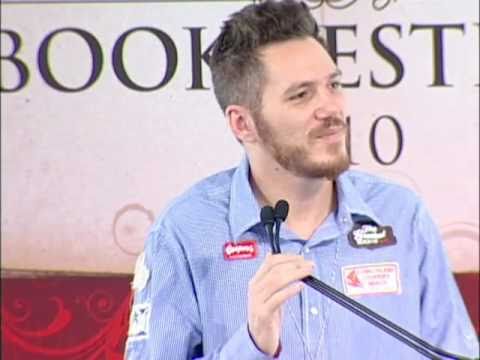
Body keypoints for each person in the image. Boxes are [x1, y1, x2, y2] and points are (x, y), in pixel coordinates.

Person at [124, 1, 479, 359]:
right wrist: (253, 345)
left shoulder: (402, 215)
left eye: (333, 85)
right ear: (243, 124)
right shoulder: (185, 232)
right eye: (301, 95)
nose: (331, 108)